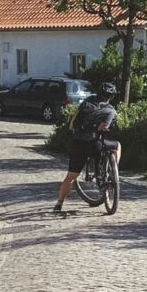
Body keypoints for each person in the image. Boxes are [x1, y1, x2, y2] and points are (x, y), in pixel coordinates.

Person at [54, 82, 121, 213]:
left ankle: (59, 203)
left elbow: (73, 123)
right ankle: (113, 174)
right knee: (116, 145)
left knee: (71, 176)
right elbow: (104, 127)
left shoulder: (86, 103)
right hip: (94, 143)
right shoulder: (110, 110)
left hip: (78, 142)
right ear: (111, 97)